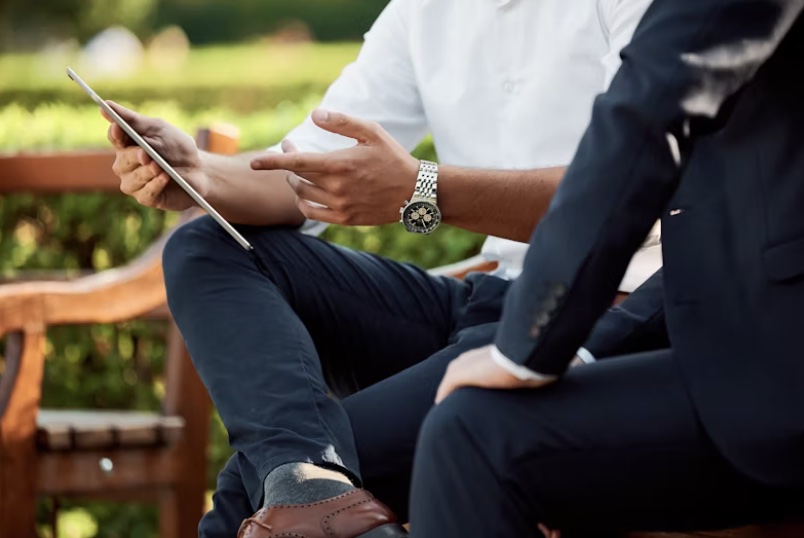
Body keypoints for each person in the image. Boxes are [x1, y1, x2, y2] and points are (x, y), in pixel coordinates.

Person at [104, 0, 658, 536]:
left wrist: (423, 189)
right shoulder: (423, 10)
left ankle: (304, 485)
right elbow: (306, 169)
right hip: (488, 299)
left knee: (248, 495)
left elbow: (628, 190)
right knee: (207, 247)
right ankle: (307, 481)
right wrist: (198, 173)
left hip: (603, 315)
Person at [408, 0, 804, 536]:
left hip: (766, 370)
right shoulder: (420, 15)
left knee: (472, 435)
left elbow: (644, 118)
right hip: (671, 333)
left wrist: (526, 346)